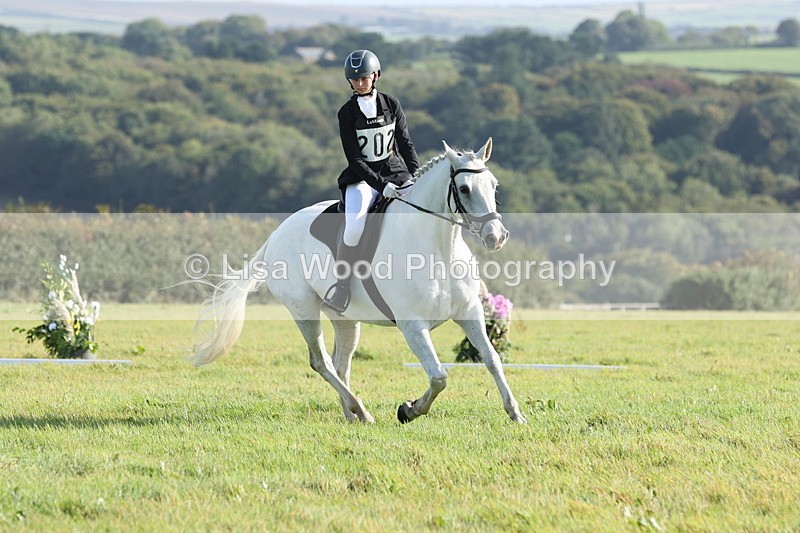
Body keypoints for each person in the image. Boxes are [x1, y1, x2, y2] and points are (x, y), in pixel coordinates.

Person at [322, 49, 420, 314]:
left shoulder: (391, 104)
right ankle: (342, 286)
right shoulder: (346, 113)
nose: (360, 83)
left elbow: (405, 143)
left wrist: (416, 175)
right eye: (355, 79)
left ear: (375, 76)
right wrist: (381, 186)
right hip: (362, 179)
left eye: (364, 78)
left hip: (396, 172)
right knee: (354, 227)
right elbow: (355, 159)